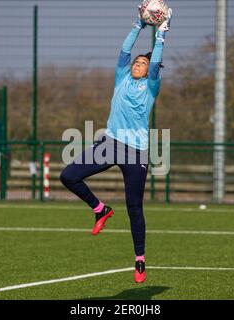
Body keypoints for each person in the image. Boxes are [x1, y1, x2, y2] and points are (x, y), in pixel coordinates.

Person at [60, 6, 172, 283]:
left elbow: (156, 62)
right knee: (68, 176)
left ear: (149, 72)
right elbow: (124, 51)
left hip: (136, 152)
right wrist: (139, 25)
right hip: (110, 142)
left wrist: (160, 37)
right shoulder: (121, 78)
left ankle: (140, 259)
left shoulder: (151, 86)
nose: (137, 64)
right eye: (136, 62)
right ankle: (100, 210)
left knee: (134, 207)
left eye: (142, 64)